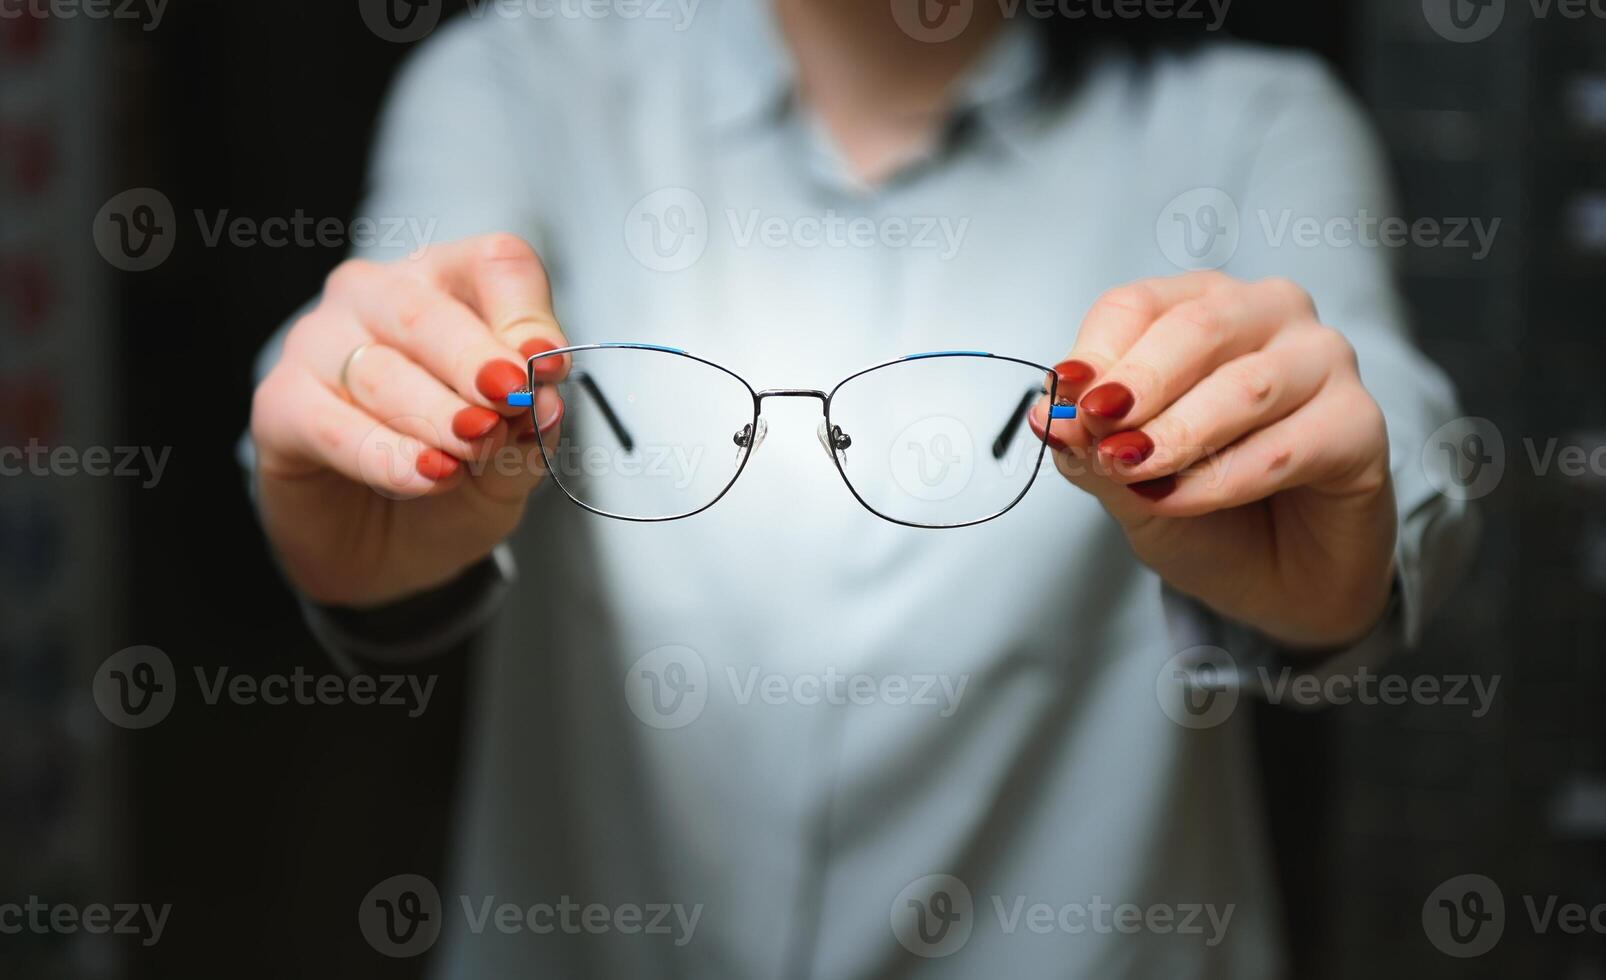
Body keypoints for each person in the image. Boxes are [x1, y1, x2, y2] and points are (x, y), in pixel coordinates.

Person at [246, 0, 1476, 975]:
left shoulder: (1252, 124)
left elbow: (1382, 415)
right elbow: (397, 308)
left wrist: (1345, 555)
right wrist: (365, 468)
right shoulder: (520, 78)